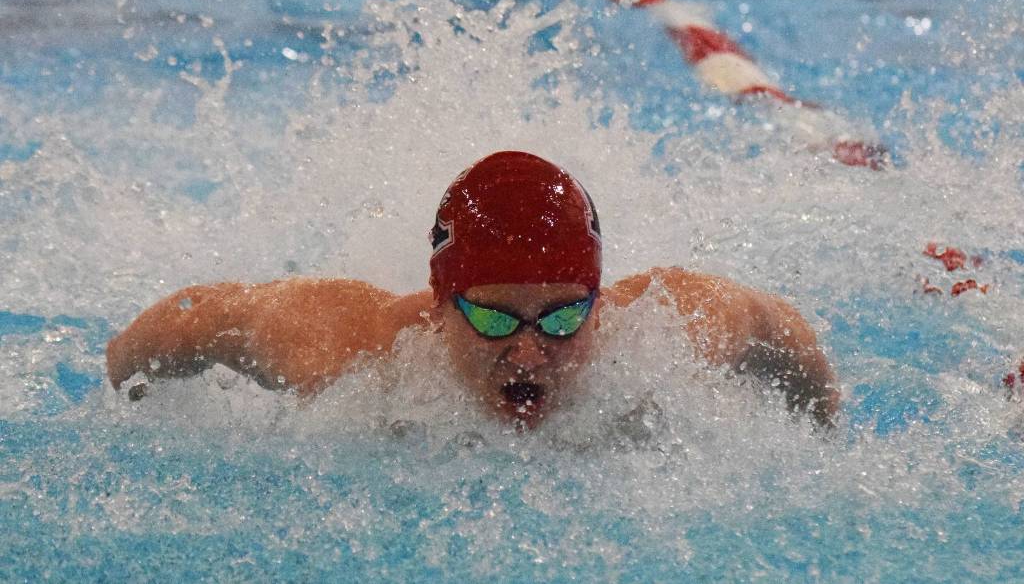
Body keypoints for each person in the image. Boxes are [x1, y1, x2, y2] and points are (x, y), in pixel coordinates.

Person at [106, 151, 839, 427]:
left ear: (597, 299)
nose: (528, 351)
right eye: (492, 317)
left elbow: (775, 324)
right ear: (439, 307)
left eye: (562, 317)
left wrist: (824, 420)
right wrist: (128, 398)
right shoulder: (349, 351)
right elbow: (196, 318)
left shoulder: (663, 336)